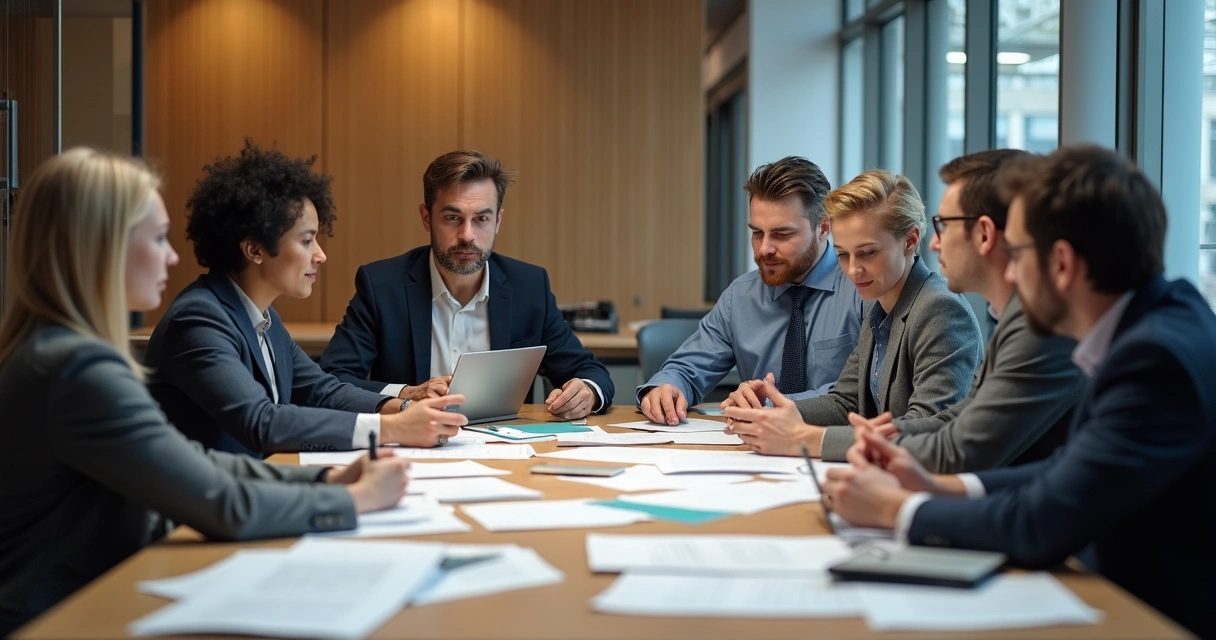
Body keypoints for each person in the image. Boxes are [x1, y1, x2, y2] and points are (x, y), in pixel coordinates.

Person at [0, 149, 412, 635]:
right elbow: (221, 500)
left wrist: (324, 481)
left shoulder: (54, 351)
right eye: (156, 239)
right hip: (62, 614)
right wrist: (355, 501)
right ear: (101, 248)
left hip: (89, 591)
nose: (173, 256)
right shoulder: (79, 369)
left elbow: (196, 460)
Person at [822, 145, 1216, 638]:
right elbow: (1066, 470)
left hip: (1149, 616)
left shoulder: (1155, 359)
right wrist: (941, 487)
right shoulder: (1157, 324)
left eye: (1020, 253)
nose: (1009, 270)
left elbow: (1043, 522)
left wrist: (897, 510)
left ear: (1063, 264)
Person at [145, 141, 467, 456]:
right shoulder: (200, 319)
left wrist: (408, 408)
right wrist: (394, 428)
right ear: (255, 249)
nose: (321, 255)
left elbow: (323, 391)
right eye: (307, 241)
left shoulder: (263, 319)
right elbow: (263, 423)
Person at [320, 150, 614, 421]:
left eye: (481, 219)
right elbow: (333, 379)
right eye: (452, 218)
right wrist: (405, 394)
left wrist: (586, 392)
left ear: (498, 220)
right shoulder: (382, 286)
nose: (467, 235)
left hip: (505, 450)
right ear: (427, 218)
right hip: (409, 448)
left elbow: (591, 373)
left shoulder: (529, 287)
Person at [839, 150, 1084, 472]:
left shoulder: (1040, 327)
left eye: (944, 225)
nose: (934, 243)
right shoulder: (1013, 316)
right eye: (842, 255)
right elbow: (958, 420)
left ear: (985, 234)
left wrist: (818, 439)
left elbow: (961, 447)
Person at [723, 169, 982, 458]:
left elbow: (927, 427)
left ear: (910, 241)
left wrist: (808, 439)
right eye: (843, 254)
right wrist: (769, 409)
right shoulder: (877, 302)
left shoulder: (939, 309)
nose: (853, 270)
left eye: (868, 253)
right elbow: (847, 401)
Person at [637, 156, 863, 425]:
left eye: (781, 234)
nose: (764, 248)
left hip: (836, 450)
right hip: (755, 455)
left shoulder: (863, 290)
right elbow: (687, 368)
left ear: (824, 227)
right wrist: (665, 388)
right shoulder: (741, 297)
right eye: (757, 233)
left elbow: (865, 394)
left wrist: (772, 404)